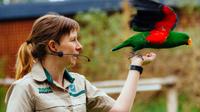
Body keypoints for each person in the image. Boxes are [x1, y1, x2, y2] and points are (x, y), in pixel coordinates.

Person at [5, 14, 156, 112]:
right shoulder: (25, 89)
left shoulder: (79, 83)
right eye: (73, 40)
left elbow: (120, 110)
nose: (79, 46)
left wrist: (136, 66)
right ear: (53, 46)